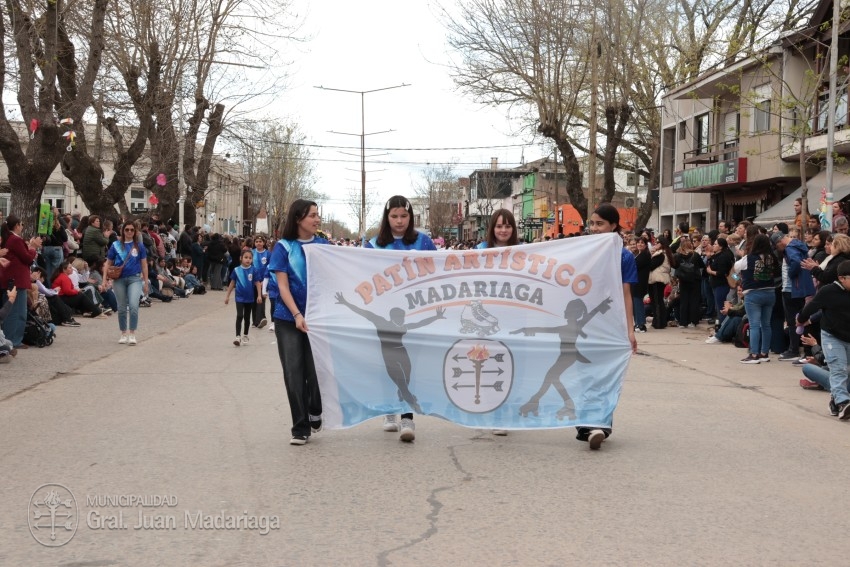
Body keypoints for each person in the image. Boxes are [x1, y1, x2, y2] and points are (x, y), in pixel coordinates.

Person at [365, 195, 437, 441]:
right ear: (386, 217)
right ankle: (389, 411)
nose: (399, 221)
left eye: (404, 216)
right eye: (394, 216)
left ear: (411, 217)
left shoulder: (423, 242)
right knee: (385, 367)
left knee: (409, 368)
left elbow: (438, 271)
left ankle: (408, 417)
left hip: (413, 312)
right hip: (385, 316)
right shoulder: (373, 245)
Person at [577, 204, 637, 450]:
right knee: (584, 373)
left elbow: (626, 294)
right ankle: (585, 424)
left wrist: (630, 329)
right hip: (585, 322)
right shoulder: (583, 253)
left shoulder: (624, 257)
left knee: (605, 374)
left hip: (610, 324)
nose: (594, 228)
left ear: (613, 226)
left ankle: (600, 424)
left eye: (600, 223)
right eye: (592, 223)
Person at [268, 199, 328, 446]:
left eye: (317, 215)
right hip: (287, 318)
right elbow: (282, 286)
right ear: (298, 219)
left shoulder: (324, 246)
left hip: (319, 319)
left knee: (315, 374)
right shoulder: (283, 247)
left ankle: (315, 408)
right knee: (294, 373)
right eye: (312, 215)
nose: (317, 220)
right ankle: (300, 426)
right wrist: (297, 315)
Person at [474, 208, 519, 435]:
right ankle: (491, 411)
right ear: (492, 228)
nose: (503, 230)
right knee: (488, 365)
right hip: (487, 318)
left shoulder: (524, 252)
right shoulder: (480, 251)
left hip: (513, 317)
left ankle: (504, 415)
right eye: (499, 226)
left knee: (508, 366)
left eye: (508, 226)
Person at [797, 260, 850, 419]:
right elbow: (811, 308)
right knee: (838, 368)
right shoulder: (828, 291)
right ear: (841, 278)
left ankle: (835, 401)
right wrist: (801, 319)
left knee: (845, 371)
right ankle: (843, 402)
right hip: (832, 336)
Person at [734, 234, 780, 363]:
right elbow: (777, 272)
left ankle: (754, 354)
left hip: (753, 293)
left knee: (754, 325)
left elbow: (735, 269)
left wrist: (739, 279)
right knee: (766, 324)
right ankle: (764, 353)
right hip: (770, 292)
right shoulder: (772, 258)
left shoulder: (748, 258)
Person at [771, 231, 816, 362]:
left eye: (776, 245)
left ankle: (793, 349)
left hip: (791, 289)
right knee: (801, 318)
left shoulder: (790, 248)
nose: (778, 249)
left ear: (780, 242)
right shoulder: (798, 245)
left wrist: (791, 274)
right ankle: (802, 350)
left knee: (793, 321)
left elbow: (795, 262)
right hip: (799, 288)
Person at [105, 221, 149, 345]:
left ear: (135, 232)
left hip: (135, 279)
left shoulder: (139, 246)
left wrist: (146, 282)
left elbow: (144, 265)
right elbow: (108, 263)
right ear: (122, 231)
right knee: (122, 307)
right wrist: (104, 279)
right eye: (127, 230)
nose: (129, 232)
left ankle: (132, 333)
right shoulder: (116, 245)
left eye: (131, 230)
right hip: (119, 279)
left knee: (134, 306)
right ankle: (123, 333)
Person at [1, 215, 42, 348]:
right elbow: (27, 258)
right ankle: (13, 340)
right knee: (17, 312)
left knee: (14, 311)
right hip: (16, 280)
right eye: (21, 224)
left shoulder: (8, 238)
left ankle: (13, 339)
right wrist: (33, 248)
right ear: (17, 225)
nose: (22, 227)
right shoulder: (15, 239)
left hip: (10, 279)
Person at [225, 249, 264, 346]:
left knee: (247, 317)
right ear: (241, 258)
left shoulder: (254, 270)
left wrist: (259, 295)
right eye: (246, 257)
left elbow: (257, 283)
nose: (248, 260)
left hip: (250, 298)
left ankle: (245, 335)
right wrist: (227, 296)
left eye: (250, 258)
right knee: (240, 315)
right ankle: (237, 336)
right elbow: (232, 283)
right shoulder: (236, 270)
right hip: (239, 298)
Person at [673, 236, 705, 327]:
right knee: (694, 301)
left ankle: (683, 322)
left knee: (684, 301)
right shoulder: (695, 255)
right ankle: (693, 321)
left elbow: (675, 267)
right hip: (695, 280)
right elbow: (702, 265)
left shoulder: (678, 256)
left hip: (683, 280)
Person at [648, 237, 674, 329]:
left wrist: (650, 256)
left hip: (657, 279)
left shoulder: (660, 254)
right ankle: (659, 321)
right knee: (657, 300)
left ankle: (659, 322)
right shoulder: (662, 254)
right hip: (658, 279)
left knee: (657, 301)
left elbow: (651, 266)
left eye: (657, 242)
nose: (655, 244)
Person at [632, 236, 651, 333]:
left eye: (642, 243)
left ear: (646, 245)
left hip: (640, 282)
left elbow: (634, 266)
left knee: (638, 303)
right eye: (638, 242)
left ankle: (641, 324)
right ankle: (637, 323)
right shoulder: (639, 254)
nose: (639, 244)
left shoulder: (645, 255)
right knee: (635, 304)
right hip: (636, 282)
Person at [252, 235, 270, 328]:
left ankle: (261, 319)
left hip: (263, 281)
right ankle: (254, 321)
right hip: (253, 281)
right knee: (254, 300)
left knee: (261, 299)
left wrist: (265, 280)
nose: (258, 243)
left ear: (264, 243)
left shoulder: (267, 253)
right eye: (257, 241)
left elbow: (270, 267)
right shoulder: (252, 252)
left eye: (260, 241)